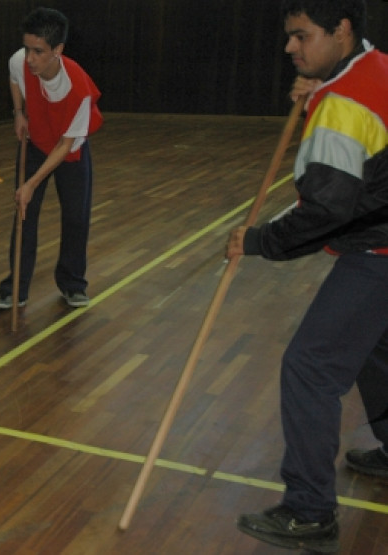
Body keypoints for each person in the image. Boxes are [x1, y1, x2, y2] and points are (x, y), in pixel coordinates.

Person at [228, 1, 388, 551]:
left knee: (310, 367)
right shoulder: (375, 68)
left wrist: (256, 242)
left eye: (302, 36)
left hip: (380, 250)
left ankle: (309, 511)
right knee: (374, 348)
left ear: (342, 30)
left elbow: (325, 210)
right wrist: (317, 96)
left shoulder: (346, 101)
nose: (291, 49)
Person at [0, 7, 102, 311]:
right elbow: (14, 78)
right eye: (27, 49)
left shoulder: (78, 88)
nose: (30, 58)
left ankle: (73, 284)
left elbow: (65, 146)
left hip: (69, 151)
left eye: (38, 51)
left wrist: (31, 184)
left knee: (76, 217)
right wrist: (19, 113)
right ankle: (15, 289)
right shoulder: (19, 62)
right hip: (36, 142)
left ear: (58, 50)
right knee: (24, 214)